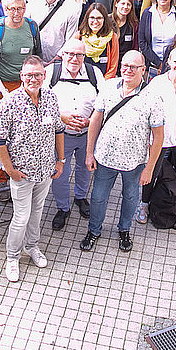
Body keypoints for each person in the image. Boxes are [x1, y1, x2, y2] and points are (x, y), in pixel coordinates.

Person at [79, 51, 164, 253]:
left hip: (134, 163)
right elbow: (95, 120)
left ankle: (125, 229)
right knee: (98, 197)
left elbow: (158, 137)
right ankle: (94, 230)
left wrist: (149, 169)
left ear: (143, 70)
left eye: (134, 67)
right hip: (105, 158)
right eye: (125, 65)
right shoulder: (108, 88)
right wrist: (89, 152)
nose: (128, 70)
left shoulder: (152, 97)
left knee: (130, 197)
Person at [0, 55, 64, 281]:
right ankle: (12, 257)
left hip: (46, 170)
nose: (33, 79)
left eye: (38, 75)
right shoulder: (10, 103)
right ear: (21, 76)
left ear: (44, 76)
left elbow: (59, 130)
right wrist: (9, 170)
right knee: (21, 216)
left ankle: (32, 247)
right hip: (21, 173)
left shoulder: (51, 98)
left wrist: (60, 160)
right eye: (29, 75)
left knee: (37, 212)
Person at [137, 47, 176, 225]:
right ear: (169, 61)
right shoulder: (157, 83)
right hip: (159, 138)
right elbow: (146, 109)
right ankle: (144, 204)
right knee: (152, 171)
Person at [49, 39, 103, 230]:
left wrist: (91, 121)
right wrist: (62, 117)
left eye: (79, 54)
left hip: (87, 134)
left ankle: (81, 197)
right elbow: (40, 104)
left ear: (84, 56)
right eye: (70, 54)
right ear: (62, 54)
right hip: (61, 135)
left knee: (85, 167)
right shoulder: (51, 74)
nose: (74, 58)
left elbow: (103, 103)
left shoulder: (94, 73)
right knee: (60, 173)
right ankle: (62, 207)